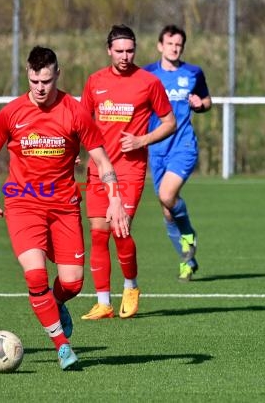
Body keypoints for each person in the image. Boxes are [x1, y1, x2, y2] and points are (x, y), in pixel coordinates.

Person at [0, 46, 130, 370]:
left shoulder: (75, 112)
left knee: (73, 282)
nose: (40, 87)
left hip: (64, 207)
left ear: (57, 75)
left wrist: (115, 198)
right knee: (35, 275)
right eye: (34, 80)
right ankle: (62, 346)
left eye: (46, 80)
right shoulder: (12, 113)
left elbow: (102, 160)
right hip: (24, 205)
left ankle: (56, 302)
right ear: (28, 75)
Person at [80, 24, 176, 320]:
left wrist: (142, 140)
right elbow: (82, 123)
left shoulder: (148, 82)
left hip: (131, 170)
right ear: (109, 50)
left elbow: (169, 122)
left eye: (130, 50)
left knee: (119, 231)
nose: (125, 56)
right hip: (99, 169)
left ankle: (131, 286)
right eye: (119, 51)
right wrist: (77, 155)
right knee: (98, 235)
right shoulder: (94, 82)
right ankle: (103, 302)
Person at [143, 24, 212, 282]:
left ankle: (189, 234)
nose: (175, 48)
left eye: (179, 45)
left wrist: (200, 104)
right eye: (170, 44)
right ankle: (188, 261)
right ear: (160, 45)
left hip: (183, 145)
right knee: (167, 209)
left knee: (167, 195)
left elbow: (206, 101)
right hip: (157, 149)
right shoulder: (147, 74)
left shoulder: (193, 73)